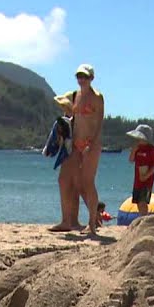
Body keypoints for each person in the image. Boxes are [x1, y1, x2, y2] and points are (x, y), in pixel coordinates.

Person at [60, 64, 104, 234]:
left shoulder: (97, 97)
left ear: (91, 78)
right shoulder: (75, 95)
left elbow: (99, 123)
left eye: (85, 77)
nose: (81, 80)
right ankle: (69, 220)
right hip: (76, 143)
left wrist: (91, 144)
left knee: (87, 182)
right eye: (79, 76)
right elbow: (68, 111)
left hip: (90, 143)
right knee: (71, 180)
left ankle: (92, 224)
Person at [47, 93, 78, 232]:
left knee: (64, 183)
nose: (64, 109)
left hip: (70, 155)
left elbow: (60, 143)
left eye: (65, 106)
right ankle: (74, 220)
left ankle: (66, 221)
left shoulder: (67, 121)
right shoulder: (80, 120)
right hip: (80, 156)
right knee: (75, 187)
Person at [127, 124, 154, 217]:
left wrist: (147, 175)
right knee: (137, 201)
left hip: (147, 180)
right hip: (137, 180)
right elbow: (131, 160)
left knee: (143, 201)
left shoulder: (151, 149)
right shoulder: (137, 148)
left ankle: (144, 217)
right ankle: (142, 216)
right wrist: (133, 151)